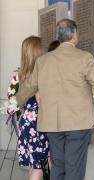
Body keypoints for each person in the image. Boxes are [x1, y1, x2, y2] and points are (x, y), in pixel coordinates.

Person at [16, 19, 94, 180]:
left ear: (59, 37)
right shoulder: (84, 58)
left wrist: (18, 102)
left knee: (58, 166)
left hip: (52, 124)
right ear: (74, 35)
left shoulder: (43, 61)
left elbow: (27, 88)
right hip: (78, 122)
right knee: (75, 167)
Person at [17, 36, 49, 180]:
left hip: (27, 121)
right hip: (38, 122)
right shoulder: (38, 74)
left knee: (33, 164)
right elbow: (40, 100)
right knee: (38, 167)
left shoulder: (24, 72)